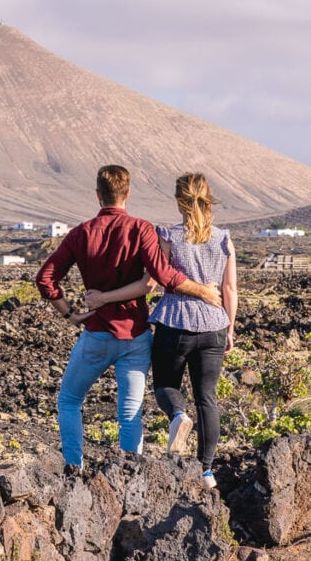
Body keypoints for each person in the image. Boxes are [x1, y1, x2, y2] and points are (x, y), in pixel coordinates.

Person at [35, 165, 222, 474]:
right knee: (130, 413)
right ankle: (128, 478)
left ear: (98, 195)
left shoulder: (81, 233)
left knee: (69, 400)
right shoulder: (141, 229)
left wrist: (70, 314)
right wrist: (202, 291)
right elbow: (163, 276)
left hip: (96, 334)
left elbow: (46, 279)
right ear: (128, 193)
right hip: (135, 336)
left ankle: (73, 469)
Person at [86, 172, 238, 490]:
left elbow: (151, 282)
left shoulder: (168, 236)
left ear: (178, 201)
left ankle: (177, 415)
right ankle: (207, 471)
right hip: (214, 325)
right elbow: (230, 289)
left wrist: (105, 298)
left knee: (165, 386)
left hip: (175, 323)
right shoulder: (223, 238)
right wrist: (230, 328)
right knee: (207, 398)